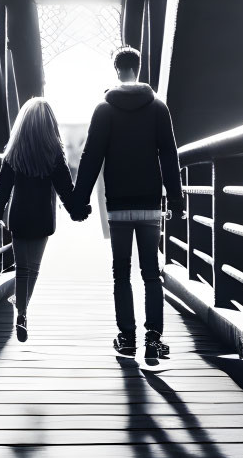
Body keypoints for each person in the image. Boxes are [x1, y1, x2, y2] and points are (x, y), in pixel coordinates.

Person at [72, 46, 184, 359]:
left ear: (116, 70)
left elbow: (91, 157)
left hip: (118, 204)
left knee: (121, 273)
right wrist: (176, 200)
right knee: (151, 273)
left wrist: (78, 203)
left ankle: (127, 338)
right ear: (138, 67)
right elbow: (169, 157)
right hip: (150, 203)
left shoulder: (104, 109)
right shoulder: (158, 107)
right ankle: (153, 338)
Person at [0, 97, 90, 341]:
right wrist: (77, 212)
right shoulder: (54, 154)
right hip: (43, 218)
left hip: (19, 217)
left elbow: (2, 185)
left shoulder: (14, 152)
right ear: (49, 125)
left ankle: (21, 309)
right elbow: (66, 189)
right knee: (33, 268)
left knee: (21, 267)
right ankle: (22, 309)